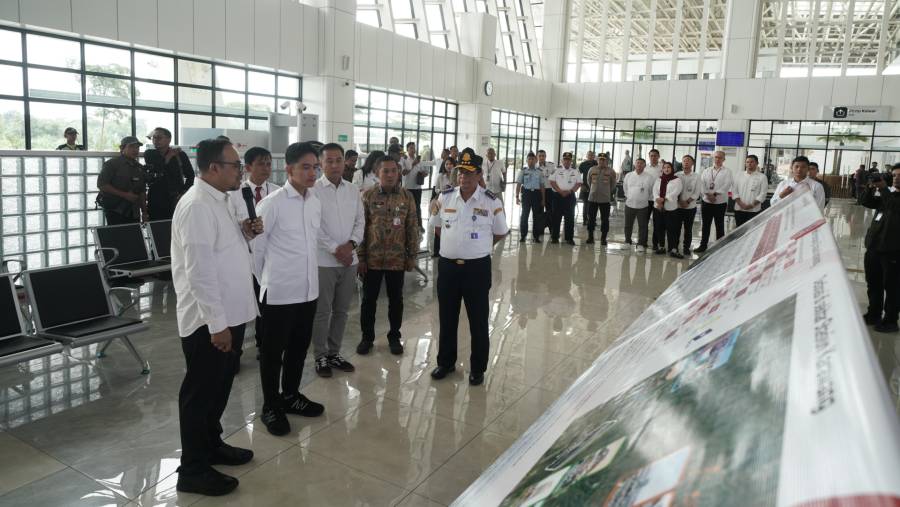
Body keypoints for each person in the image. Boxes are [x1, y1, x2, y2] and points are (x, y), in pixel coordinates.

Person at [171, 138, 262, 496]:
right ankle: (192, 469)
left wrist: (243, 232)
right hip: (209, 322)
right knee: (200, 392)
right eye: (235, 165)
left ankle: (211, 444)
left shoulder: (222, 199)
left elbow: (221, 249)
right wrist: (217, 323)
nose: (240, 171)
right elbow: (200, 272)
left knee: (220, 387)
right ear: (212, 168)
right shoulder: (196, 206)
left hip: (231, 313)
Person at [251, 141, 325, 437]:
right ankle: (271, 405)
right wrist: (268, 281)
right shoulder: (273, 203)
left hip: (308, 291)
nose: (312, 172)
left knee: (298, 348)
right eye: (305, 167)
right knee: (272, 353)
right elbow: (257, 251)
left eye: (314, 167)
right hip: (280, 292)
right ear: (290, 169)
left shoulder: (315, 202)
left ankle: (291, 395)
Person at [429, 148, 509, 385]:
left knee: (478, 320)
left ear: (478, 175)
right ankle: (445, 362)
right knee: (447, 317)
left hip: (476, 269)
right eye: (460, 172)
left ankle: (477, 368)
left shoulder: (490, 201)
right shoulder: (444, 198)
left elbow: (500, 232)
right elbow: (437, 227)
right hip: (449, 269)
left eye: (469, 173)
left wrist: (480, 248)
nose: (463, 177)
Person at [357, 156, 419, 355]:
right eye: (386, 171)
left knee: (396, 300)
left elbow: (412, 227)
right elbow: (360, 229)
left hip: (397, 259)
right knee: (368, 301)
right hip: (372, 260)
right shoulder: (367, 196)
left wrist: (412, 256)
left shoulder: (406, 197)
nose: (391, 175)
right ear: (377, 173)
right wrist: (361, 258)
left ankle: (394, 336)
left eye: (394, 171)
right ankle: (367, 338)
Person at [312, 143, 365, 378]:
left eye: (338, 160)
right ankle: (320, 355)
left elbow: (360, 221)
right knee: (322, 312)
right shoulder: (312, 190)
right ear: (321, 164)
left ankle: (334, 352)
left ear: (345, 162)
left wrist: (351, 245)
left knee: (342, 311)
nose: (334, 165)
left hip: (349, 261)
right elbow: (314, 227)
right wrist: (336, 249)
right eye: (329, 161)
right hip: (324, 261)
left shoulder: (353, 190)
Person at [230, 147, 278, 363]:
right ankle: (235, 352)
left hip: (270, 260)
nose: (266, 168)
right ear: (248, 167)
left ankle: (264, 344)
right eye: (261, 163)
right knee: (240, 307)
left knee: (265, 305)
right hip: (243, 261)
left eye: (269, 163)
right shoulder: (233, 194)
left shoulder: (278, 193)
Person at [860, 163, 900, 333]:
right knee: (873, 284)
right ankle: (873, 314)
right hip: (875, 248)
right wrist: (870, 187)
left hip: (893, 250)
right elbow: (866, 202)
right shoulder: (890, 194)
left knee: (891, 287)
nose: (897, 177)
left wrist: (883, 189)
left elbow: (893, 207)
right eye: (895, 175)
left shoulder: (890, 197)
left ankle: (890, 320)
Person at [144, 127, 195, 220]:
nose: (155, 140)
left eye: (159, 137)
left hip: (175, 197)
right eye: (153, 138)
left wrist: (183, 192)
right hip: (156, 198)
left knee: (175, 226)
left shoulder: (180, 155)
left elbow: (190, 176)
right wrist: (169, 156)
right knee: (156, 227)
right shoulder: (149, 154)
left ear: (169, 139)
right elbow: (158, 168)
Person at [97, 136, 147, 225]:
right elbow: (102, 184)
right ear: (122, 148)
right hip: (115, 210)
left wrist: (144, 212)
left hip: (134, 211)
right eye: (131, 147)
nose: (135, 150)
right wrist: (125, 195)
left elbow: (142, 191)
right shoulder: (112, 164)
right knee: (117, 236)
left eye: (137, 147)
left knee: (135, 236)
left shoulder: (139, 168)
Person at [694, 151, 733, 253]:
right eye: (716, 157)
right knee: (705, 225)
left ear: (723, 159)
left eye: (720, 158)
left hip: (720, 203)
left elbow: (726, 185)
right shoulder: (706, 170)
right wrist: (707, 194)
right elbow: (701, 184)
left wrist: (714, 194)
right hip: (707, 202)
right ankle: (703, 245)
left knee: (719, 225)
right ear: (713, 158)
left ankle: (720, 246)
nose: (717, 159)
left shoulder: (727, 171)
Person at [653, 161, 684, 258]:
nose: (666, 169)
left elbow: (676, 191)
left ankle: (673, 249)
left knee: (672, 229)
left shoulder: (676, 180)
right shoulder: (659, 179)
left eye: (668, 167)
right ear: (662, 169)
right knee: (659, 228)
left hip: (670, 208)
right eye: (665, 167)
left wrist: (664, 198)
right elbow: (654, 191)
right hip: (658, 207)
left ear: (672, 169)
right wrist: (657, 198)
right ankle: (661, 246)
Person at [548, 152, 581, 245]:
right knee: (556, 217)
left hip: (570, 196)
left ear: (571, 161)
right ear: (562, 160)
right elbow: (552, 182)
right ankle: (554, 237)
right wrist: (560, 191)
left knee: (570, 218)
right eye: (565, 159)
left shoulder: (575, 171)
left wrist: (569, 191)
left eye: (568, 159)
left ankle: (569, 238)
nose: (567, 161)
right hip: (558, 196)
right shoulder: (556, 170)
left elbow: (578, 183)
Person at [623, 158, 654, 253]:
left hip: (643, 206)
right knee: (628, 225)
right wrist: (630, 197)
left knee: (643, 226)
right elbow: (625, 188)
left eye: (641, 163)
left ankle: (640, 244)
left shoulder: (649, 177)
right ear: (634, 165)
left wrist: (642, 198)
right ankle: (627, 241)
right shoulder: (629, 175)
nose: (639, 165)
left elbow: (651, 191)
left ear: (645, 165)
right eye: (637, 163)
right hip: (629, 204)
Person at [585, 155, 616, 245]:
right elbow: (589, 181)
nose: (601, 162)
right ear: (597, 160)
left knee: (605, 219)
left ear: (606, 161)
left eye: (604, 160)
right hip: (592, 198)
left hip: (605, 199)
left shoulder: (611, 171)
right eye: (600, 160)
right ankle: (590, 237)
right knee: (591, 219)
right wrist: (593, 189)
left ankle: (603, 238)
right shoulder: (592, 169)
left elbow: (613, 184)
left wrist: (606, 191)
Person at [515, 152, 545, 243]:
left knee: (537, 217)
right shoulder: (523, 171)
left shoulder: (539, 172)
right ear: (527, 160)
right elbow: (519, 185)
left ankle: (536, 236)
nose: (531, 161)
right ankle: (523, 235)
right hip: (526, 195)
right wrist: (516, 196)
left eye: (533, 159)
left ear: (536, 160)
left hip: (536, 195)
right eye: (529, 159)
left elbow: (542, 186)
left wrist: (543, 199)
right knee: (524, 216)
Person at [732, 154, 768, 227]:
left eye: (752, 162)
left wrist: (751, 205)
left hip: (754, 210)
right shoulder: (739, 175)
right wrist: (741, 204)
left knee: (751, 233)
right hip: (739, 209)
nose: (749, 164)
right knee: (739, 231)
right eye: (747, 162)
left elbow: (763, 194)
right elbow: (734, 191)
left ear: (757, 163)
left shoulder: (762, 177)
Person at [400, 141, 429, 231]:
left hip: (417, 188)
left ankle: (419, 226)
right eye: (411, 148)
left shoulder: (419, 160)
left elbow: (426, 172)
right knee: (406, 207)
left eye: (414, 147)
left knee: (417, 207)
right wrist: (413, 164)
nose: (413, 149)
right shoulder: (404, 159)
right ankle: (406, 226)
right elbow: (403, 173)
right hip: (407, 188)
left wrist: (424, 174)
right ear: (407, 149)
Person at [676, 155, 702, 255]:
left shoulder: (696, 176)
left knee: (688, 229)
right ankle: (675, 246)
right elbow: (674, 190)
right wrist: (679, 201)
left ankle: (686, 247)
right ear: (682, 163)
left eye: (688, 161)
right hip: (678, 206)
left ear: (692, 163)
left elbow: (697, 192)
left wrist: (687, 202)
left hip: (690, 207)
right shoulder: (677, 175)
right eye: (684, 161)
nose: (686, 162)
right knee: (676, 228)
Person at [431, 157, 455, 257]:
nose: (448, 166)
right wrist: (442, 190)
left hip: (453, 204)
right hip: (442, 203)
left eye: (450, 164)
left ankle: (449, 248)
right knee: (438, 225)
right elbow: (436, 189)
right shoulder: (441, 176)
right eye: (446, 164)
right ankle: (436, 251)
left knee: (449, 227)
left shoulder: (456, 176)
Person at [537, 149, 556, 237]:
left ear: (545, 156)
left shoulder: (551, 166)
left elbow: (555, 177)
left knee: (550, 211)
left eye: (543, 156)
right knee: (539, 211)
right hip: (538, 191)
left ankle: (552, 230)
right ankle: (540, 230)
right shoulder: (535, 166)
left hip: (549, 190)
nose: (541, 157)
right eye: (540, 156)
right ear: (537, 157)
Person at [578, 151, 598, 224]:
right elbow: (578, 175)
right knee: (586, 204)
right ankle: (585, 220)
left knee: (594, 205)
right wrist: (581, 184)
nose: (590, 156)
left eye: (592, 155)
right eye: (589, 155)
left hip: (595, 187)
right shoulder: (583, 164)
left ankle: (592, 220)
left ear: (594, 156)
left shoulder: (597, 164)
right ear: (587, 156)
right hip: (585, 187)